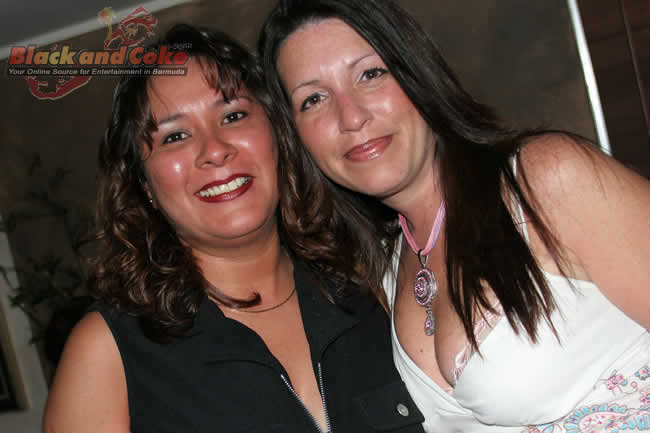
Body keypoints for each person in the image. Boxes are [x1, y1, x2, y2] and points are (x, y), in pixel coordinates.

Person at [258, 1, 650, 431]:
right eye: (313, 99)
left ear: (416, 74)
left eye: (370, 74)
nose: (351, 117)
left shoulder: (544, 180)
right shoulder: (386, 271)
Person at [42, 24, 426, 433]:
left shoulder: (376, 288)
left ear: (278, 134)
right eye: (175, 136)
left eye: (233, 115)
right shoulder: (108, 350)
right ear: (145, 185)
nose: (215, 150)